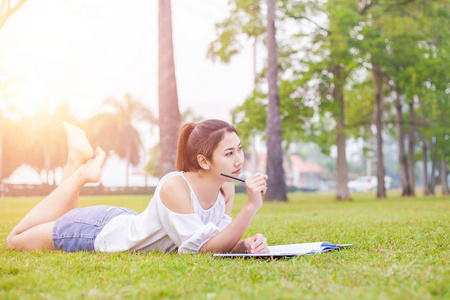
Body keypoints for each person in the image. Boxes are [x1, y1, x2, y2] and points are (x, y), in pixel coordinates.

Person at [6, 119, 269, 254]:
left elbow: (218, 239)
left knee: (59, 216)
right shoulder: (174, 186)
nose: (239, 160)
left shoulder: (226, 188)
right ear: (203, 160)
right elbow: (199, 249)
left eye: (239, 150)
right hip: (95, 232)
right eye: (229, 153)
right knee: (14, 240)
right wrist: (250, 208)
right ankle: (81, 174)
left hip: (123, 221)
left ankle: (75, 159)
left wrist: (246, 245)